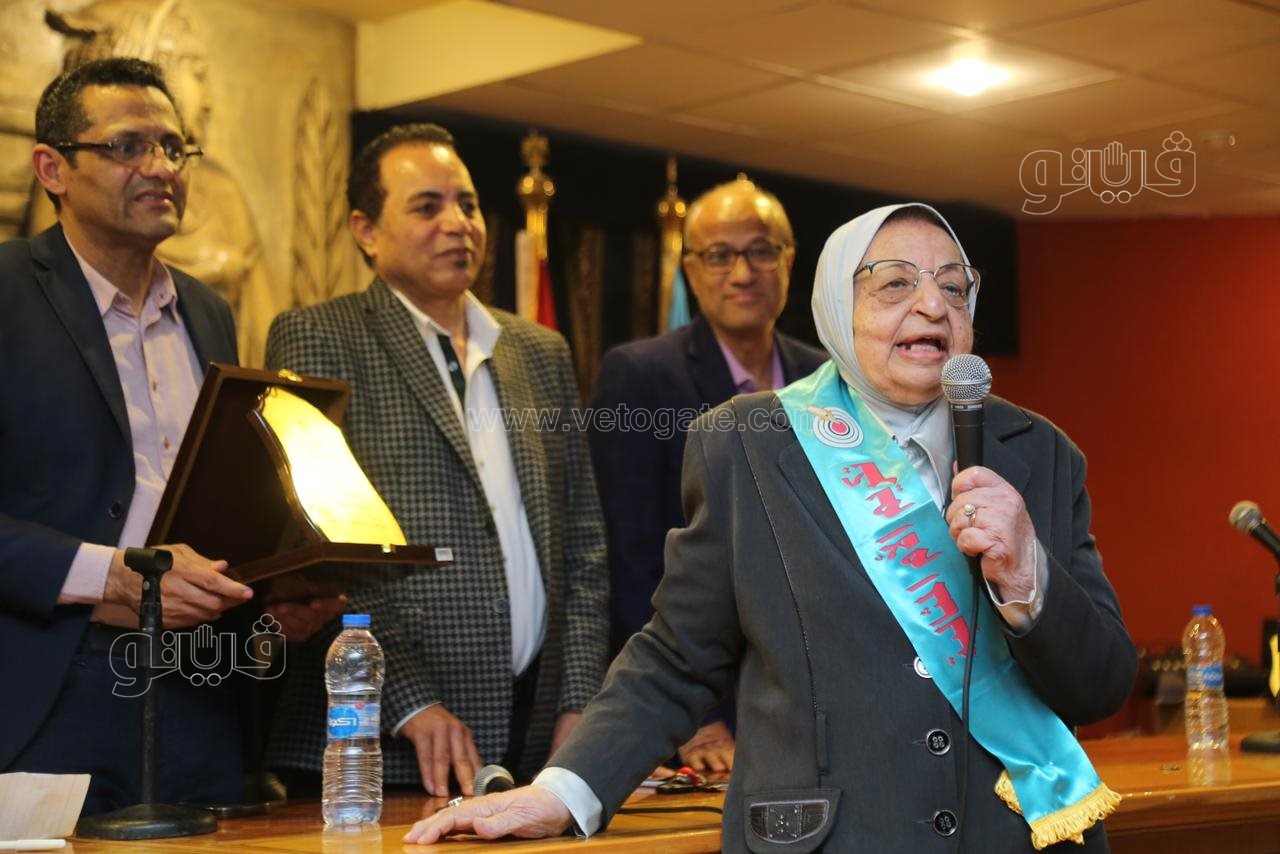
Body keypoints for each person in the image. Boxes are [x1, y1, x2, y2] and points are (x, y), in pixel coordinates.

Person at [405, 202, 1138, 851]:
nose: (931, 306)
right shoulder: (748, 445)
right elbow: (676, 658)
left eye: (954, 287)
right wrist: (561, 791)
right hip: (829, 839)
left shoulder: (1040, 454)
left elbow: (1103, 683)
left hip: (1018, 836)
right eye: (894, 284)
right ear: (836, 306)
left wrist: (1030, 578)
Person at [264, 123, 610, 798]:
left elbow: (584, 547)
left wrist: (579, 701)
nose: (458, 224)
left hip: (536, 740)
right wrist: (408, 700)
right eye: (428, 207)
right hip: (377, 750)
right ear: (366, 231)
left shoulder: (540, 351)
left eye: (468, 205)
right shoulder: (318, 336)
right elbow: (320, 548)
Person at [0, 57, 254, 814]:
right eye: (127, 146)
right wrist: (109, 576)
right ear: (53, 169)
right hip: (50, 683)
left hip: (203, 682)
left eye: (174, 148)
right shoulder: (7, 293)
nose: (161, 168)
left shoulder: (208, 312)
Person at [587, 177, 825, 772]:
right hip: (705, 712)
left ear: (789, 261)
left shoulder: (827, 380)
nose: (742, 273)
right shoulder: (639, 376)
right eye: (719, 255)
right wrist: (692, 714)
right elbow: (632, 564)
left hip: (821, 697)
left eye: (761, 251)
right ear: (691, 271)